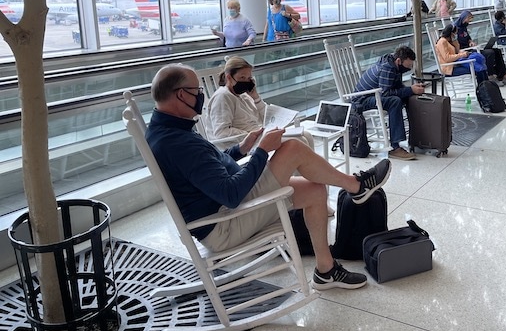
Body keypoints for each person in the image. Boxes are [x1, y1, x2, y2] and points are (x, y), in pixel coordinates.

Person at [146, 64, 393, 290]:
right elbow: (231, 195)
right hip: (223, 223)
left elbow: (210, 170)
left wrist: (240, 149)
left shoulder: (169, 129)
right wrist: (262, 150)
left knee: (315, 190)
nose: (201, 95)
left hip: (223, 210)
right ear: (181, 94)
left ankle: (326, 270)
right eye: (196, 90)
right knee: (293, 149)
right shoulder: (177, 143)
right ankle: (356, 186)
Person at [205, 56, 314, 149]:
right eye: (242, 77)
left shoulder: (244, 96)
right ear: (229, 77)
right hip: (243, 144)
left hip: (258, 136)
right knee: (298, 141)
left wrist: (255, 97)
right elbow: (221, 132)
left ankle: (307, 174)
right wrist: (251, 135)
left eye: (249, 78)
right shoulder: (223, 97)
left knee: (306, 135)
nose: (246, 81)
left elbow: (265, 117)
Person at [352, 46, 425, 161]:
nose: (409, 68)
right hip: (362, 100)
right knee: (394, 102)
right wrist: (410, 90)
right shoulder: (387, 68)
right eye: (408, 65)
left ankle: (416, 138)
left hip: (373, 95)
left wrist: (411, 90)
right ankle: (395, 147)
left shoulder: (393, 65)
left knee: (406, 97)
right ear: (399, 61)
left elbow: (395, 87)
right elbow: (385, 94)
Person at [452, 10, 506, 86]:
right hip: (465, 52)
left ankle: (504, 75)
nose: (469, 22)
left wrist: (470, 42)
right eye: (469, 19)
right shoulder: (455, 28)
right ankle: (490, 76)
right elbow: (454, 45)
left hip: (471, 49)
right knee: (489, 53)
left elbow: (468, 38)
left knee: (496, 51)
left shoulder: (464, 27)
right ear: (464, 18)